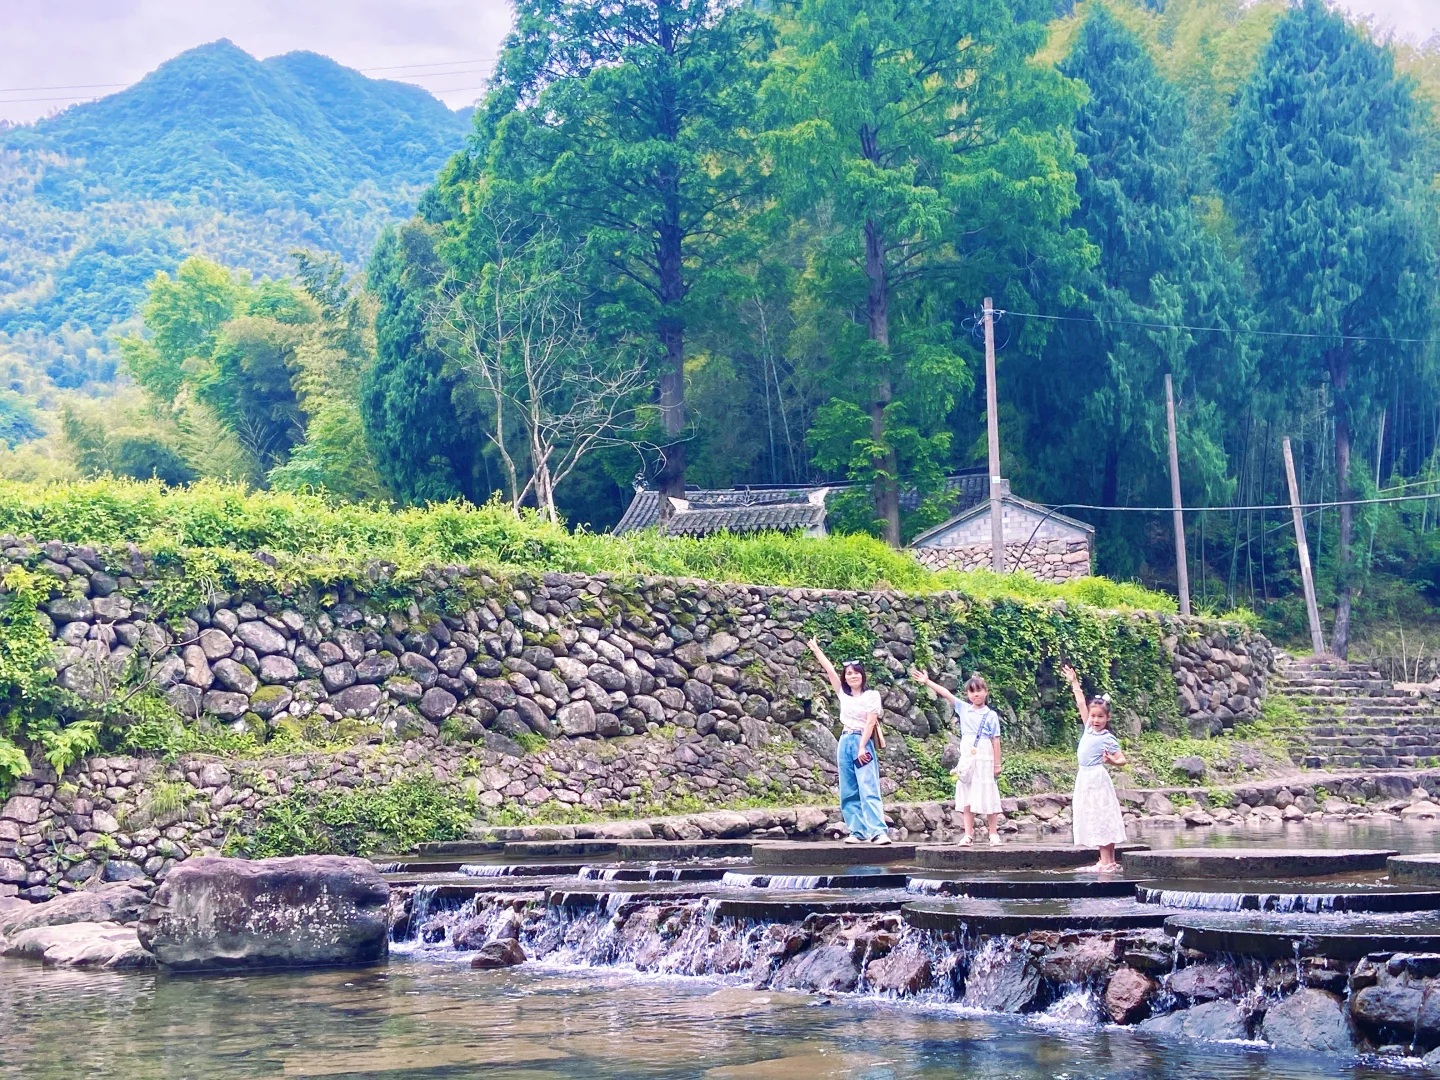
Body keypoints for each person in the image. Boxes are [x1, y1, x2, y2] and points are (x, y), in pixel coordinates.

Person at [806, 637, 891, 845]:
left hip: (861, 740)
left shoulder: (871, 695)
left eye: (855, 673)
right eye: (849, 673)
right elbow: (830, 672)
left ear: (862, 675)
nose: (852, 676)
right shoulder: (843, 695)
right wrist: (816, 649)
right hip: (844, 741)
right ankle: (857, 831)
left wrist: (862, 746)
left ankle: (878, 832)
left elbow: (871, 722)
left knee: (868, 786)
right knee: (848, 789)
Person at [909, 667, 1004, 846]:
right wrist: (927, 682)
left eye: (979, 691)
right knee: (966, 793)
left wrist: (997, 765)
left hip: (984, 755)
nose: (976, 695)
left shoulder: (991, 715)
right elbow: (946, 694)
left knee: (988, 792)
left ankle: (993, 833)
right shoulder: (964, 708)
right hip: (967, 756)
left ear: (986, 692)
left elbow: (996, 740)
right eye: (972, 691)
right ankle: (968, 834)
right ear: (968, 694)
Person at [1060, 663, 1129, 872]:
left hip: (1098, 778)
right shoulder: (1088, 730)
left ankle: (1110, 859)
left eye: (1100, 717)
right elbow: (1081, 702)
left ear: (1107, 718)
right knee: (1093, 815)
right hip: (1084, 778)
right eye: (1093, 716)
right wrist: (1074, 682)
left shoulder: (1108, 738)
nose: (1096, 720)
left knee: (1103, 814)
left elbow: (1122, 760)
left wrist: (1111, 762)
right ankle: (1103, 858)